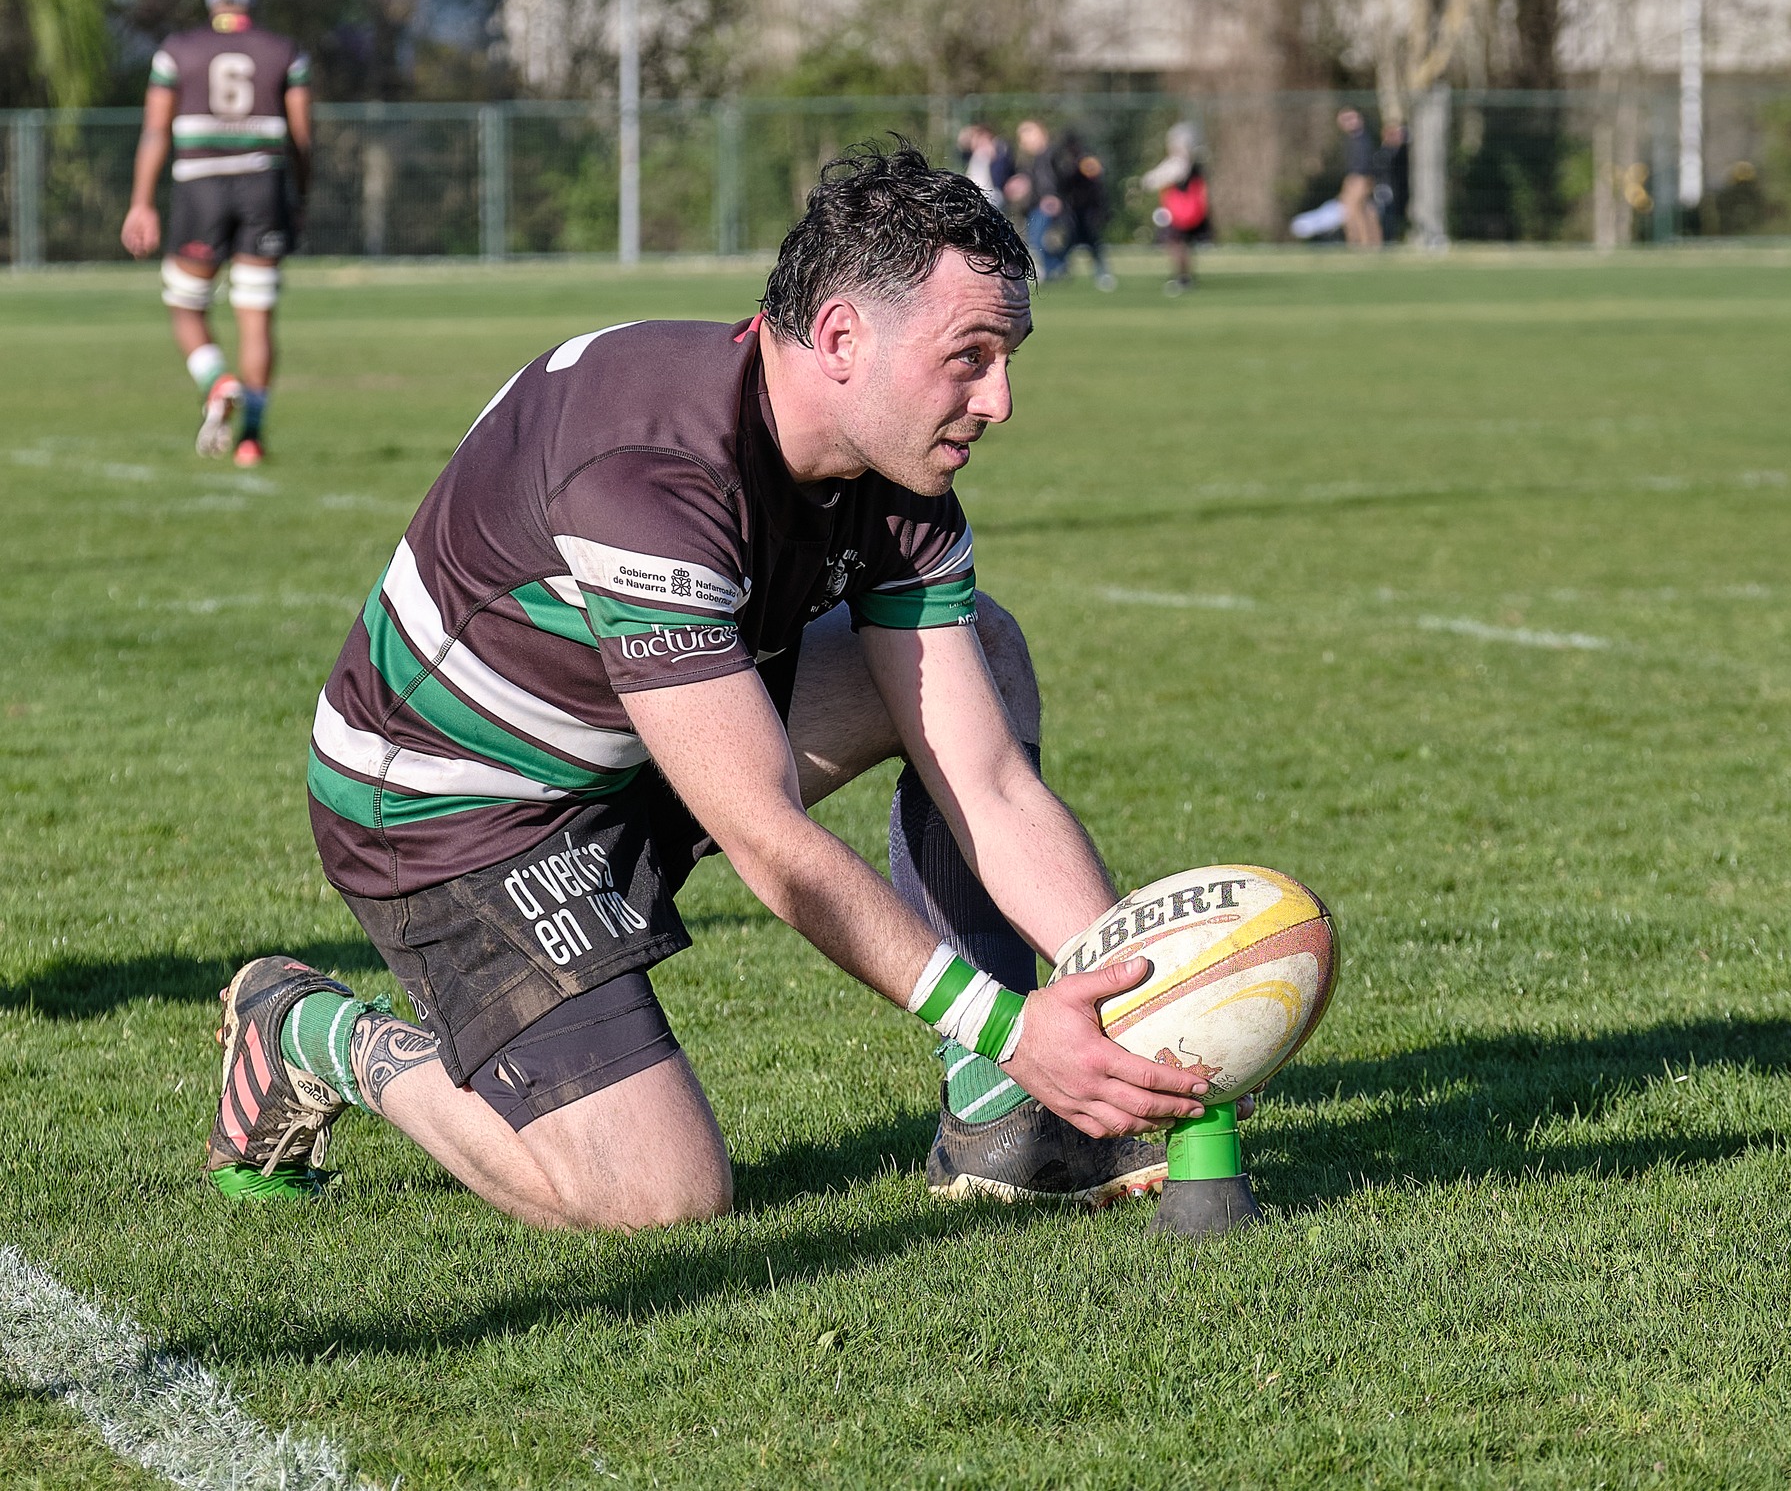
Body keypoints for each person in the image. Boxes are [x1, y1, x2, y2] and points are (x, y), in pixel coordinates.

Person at [204, 144, 1211, 1229]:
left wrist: (1147, 1001)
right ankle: (309, 1030)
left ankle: (1003, 1118)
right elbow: (766, 839)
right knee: (660, 1195)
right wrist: (1010, 1020)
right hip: (451, 813)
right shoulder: (647, 471)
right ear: (838, 337)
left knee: (985, 655)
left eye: (1007, 357)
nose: (999, 400)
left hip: (643, 742)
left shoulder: (902, 474)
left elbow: (988, 782)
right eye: (969, 357)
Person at [120, 0, 312, 467]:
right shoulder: (283, 50)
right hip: (264, 188)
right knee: (256, 318)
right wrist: (301, 197)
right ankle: (251, 438)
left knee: (186, 303)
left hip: (199, 187)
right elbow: (301, 136)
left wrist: (141, 203)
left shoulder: (177, 50)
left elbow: (157, 129)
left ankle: (217, 380)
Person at [1142, 122, 1209, 294]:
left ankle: (1183, 278)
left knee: (1176, 244)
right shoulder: (1194, 162)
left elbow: (1152, 181)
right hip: (1191, 211)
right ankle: (1185, 277)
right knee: (1181, 245)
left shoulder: (1180, 163)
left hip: (1180, 213)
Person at [1053, 128, 1116, 291]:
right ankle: (1061, 268)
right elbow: (1063, 184)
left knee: (1093, 242)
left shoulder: (1086, 162)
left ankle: (1101, 272)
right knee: (1070, 241)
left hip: (1087, 209)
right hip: (1072, 210)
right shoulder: (1064, 163)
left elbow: (1096, 185)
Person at [1005, 119, 1067, 280]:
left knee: (1040, 240)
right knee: (1036, 240)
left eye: (1026, 134)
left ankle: (1056, 267)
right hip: (1037, 204)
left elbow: (1058, 178)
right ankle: (1055, 268)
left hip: (1048, 203)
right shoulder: (1032, 159)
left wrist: (1053, 196)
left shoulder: (1052, 154)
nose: (1023, 140)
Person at [1335, 107, 1379, 248]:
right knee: (1361, 210)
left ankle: (1364, 243)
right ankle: (1366, 242)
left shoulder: (1363, 139)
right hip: (1354, 177)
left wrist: (1361, 180)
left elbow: (1367, 163)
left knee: (1356, 210)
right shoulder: (1352, 140)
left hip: (1360, 178)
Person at [956, 122, 1012, 211]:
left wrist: (994, 156)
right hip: (974, 193)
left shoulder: (998, 151)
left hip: (992, 194)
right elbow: (961, 154)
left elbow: (1001, 175)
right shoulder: (975, 155)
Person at [1372, 120, 1410, 246]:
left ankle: (1392, 238)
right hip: (1385, 189)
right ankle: (1386, 239)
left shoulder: (1402, 152)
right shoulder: (1383, 153)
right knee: (1386, 216)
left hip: (1399, 190)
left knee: (1393, 216)